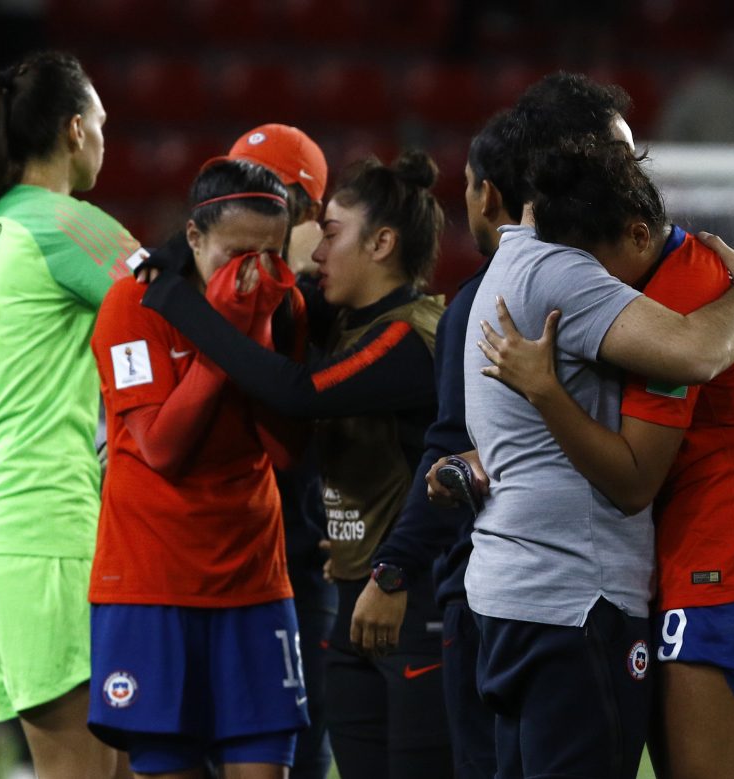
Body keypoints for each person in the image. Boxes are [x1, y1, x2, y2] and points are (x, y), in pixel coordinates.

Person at [434, 103, 734, 773]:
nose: (593, 275)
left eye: (598, 259)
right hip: (584, 594)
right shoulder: (571, 271)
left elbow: (673, 397)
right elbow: (632, 478)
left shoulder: (666, 285)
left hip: (714, 567)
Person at [349, 71, 637, 779]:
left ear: (490, 194)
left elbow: (454, 448)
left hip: (499, 595)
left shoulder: (491, 298)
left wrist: (393, 565)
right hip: (549, 596)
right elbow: (456, 451)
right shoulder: (579, 293)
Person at [139, 150, 452, 779]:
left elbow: (296, 393)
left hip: (413, 601)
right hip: (353, 594)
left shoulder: (410, 335)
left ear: (383, 242)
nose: (314, 255)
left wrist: (175, 299)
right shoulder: (347, 322)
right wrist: (185, 248)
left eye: (330, 235)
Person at [0, 50, 140, 779]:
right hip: (45, 528)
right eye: (103, 123)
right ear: (75, 130)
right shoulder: (64, 224)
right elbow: (181, 307)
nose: (107, 139)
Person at [88, 157, 309, 779]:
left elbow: (289, 452)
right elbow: (160, 447)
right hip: (151, 582)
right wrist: (226, 344)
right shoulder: (136, 302)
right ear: (194, 237)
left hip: (253, 579)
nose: (254, 272)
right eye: (236, 252)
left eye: (271, 253)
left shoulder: (282, 302)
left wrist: (258, 332)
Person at [227, 124, 336, 779]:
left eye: (267, 192)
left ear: (307, 212)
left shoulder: (331, 307)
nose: (249, 206)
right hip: (215, 560)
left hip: (300, 561)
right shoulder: (208, 294)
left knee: (300, 741)